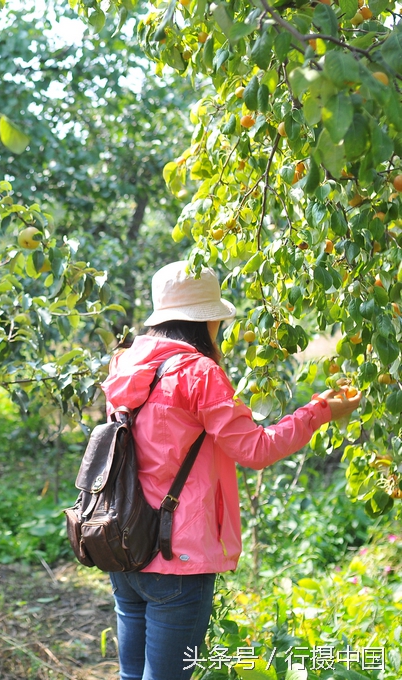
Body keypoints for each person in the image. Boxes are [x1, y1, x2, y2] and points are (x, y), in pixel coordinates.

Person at [101, 261, 362, 680]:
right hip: (177, 556)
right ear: (207, 320)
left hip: (124, 544)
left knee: (133, 675)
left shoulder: (126, 366)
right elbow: (256, 449)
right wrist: (321, 411)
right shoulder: (199, 374)